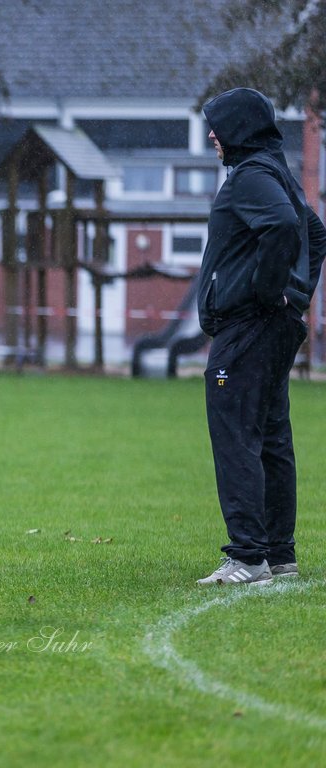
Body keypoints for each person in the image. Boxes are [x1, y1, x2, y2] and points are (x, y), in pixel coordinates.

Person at [195, 87, 326, 586]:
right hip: (271, 326)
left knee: (236, 437)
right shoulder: (276, 173)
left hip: (249, 326)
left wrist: (272, 293)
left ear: (240, 130)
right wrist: (298, 294)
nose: (212, 134)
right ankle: (278, 555)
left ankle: (247, 557)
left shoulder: (252, 177)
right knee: (271, 436)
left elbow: (283, 227)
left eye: (219, 125)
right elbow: (315, 235)